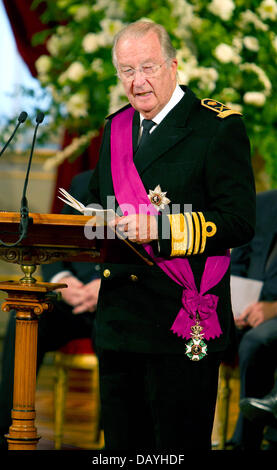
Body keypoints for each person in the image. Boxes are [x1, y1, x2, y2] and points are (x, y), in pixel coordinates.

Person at [86, 20, 256, 451]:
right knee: (122, 451)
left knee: (176, 451)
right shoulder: (116, 128)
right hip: (119, 321)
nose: (137, 81)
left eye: (148, 67)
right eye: (126, 70)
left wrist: (161, 228)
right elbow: (96, 206)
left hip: (179, 323)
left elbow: (238, 221)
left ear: (173, 65)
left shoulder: (216, 127)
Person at [0, 170, 100, 449]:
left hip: (119, 297)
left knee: (115, 327)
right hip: (74, 295)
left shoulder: (151, 184)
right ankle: (7, 426)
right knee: (28, 314)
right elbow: (56, 240)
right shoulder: (83, 182)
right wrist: (62, 280)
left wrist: (106, 284)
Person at [228, 189, 277, 450]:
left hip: (272, 315)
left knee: (256, 341)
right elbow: (237, 263)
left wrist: (274, 309)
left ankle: (246, 440)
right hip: (246, 310)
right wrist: (235, 306)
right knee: (194, 332)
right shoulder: (262, 203)